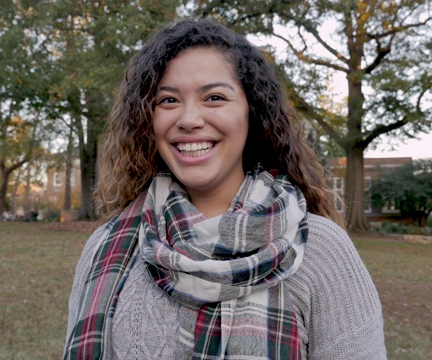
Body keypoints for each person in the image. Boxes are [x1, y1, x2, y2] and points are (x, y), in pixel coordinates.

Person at [64, 17, 386, 360]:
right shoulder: (105, 249)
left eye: (214, 97)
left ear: (253, 112)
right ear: (148, 118)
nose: (188, 119)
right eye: (168, 100)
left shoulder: (322, 253)